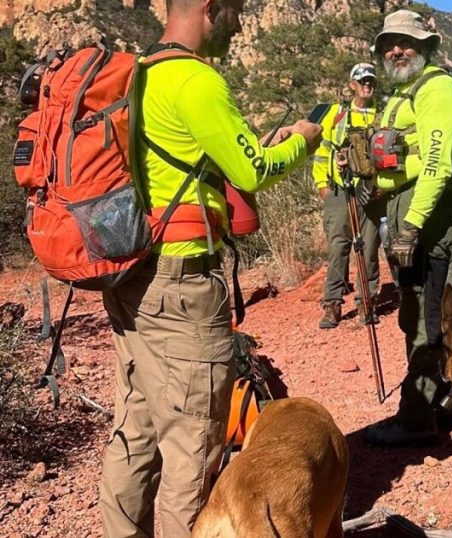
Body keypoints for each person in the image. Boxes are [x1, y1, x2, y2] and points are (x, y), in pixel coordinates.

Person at [99, 0, 322, 535]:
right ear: (210, 7)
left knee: (135, 430)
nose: (240, 22)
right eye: (236, 10)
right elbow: (253, 171)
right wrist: (302, 141)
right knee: (194, 445)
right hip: (181, 284)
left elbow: (184, 161)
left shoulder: (138, 74)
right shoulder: (195, 80)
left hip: (131, 277)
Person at [362, 9, 452, 446]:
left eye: (406, 42)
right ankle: (440, 403)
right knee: (415, 316)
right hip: (411, 218)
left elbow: (436, 164)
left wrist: (410, 226)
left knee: (429, 321)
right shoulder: (403, 94)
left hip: (432, 225)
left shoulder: (437, 89)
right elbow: (407, 158)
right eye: (389, 44)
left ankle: (417, 418)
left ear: (426, 47)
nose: (396, 50)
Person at [312, 62, 385, 329]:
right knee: (338, 247)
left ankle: (367, 302)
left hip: (372, 191)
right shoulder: (337, 114)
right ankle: (332, 303)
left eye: (371, 81)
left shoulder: (383, 113)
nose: (367, 85)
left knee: (369, 248)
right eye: (362, 81)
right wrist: (322, 184)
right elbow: (323, 151)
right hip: (339, 190)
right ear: (352, 85)